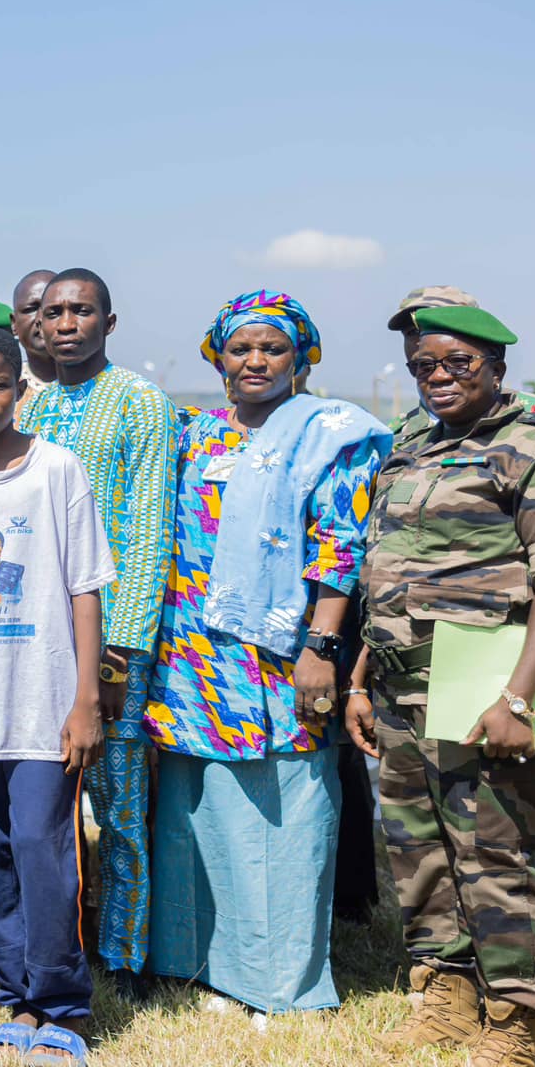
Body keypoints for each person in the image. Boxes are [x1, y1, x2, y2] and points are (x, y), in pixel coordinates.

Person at [353, 305, 535, 1067]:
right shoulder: (413, 443)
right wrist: (361, 675)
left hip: (482, 690)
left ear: (494, 363)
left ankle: (517, 1023)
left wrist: (519, 699)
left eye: (457, 361)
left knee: (498, 860)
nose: (439, 377)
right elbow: (388, 564)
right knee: (419, 859)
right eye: (425, 364)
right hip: (400, 689)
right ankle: (448, 996)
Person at [140, 292, 389, 1016]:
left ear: (301, 357)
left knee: (282, 809)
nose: (255, 361)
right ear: (217, 357)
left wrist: (321, 647)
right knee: (198, 804)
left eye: (272, 348)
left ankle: (280, 982)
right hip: (190, 655)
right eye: (240, 348)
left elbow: (340, 546)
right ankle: (204, 965)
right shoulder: (194, 434)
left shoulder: (328, 435)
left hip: (280, 655)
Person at [0, 327, 114, 1067]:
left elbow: (84, 586)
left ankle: (64, 1004)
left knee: (46, 853)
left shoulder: (56, 471)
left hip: (44, 704)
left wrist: (86, 699)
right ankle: (18, 1000)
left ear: (19, 388)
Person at [19, 268, 177, 995]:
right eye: (55, 312)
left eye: (82, 311)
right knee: (47, 805)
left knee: (118, 804)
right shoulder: (38, 406)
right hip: (39, 636)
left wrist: (117, 656)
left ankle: (125, 954)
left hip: (112, 642)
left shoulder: (141, 403)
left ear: (109, 323)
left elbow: (147, 533)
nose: (67, 323)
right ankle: (59, 944)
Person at [9, 270, 57, 420]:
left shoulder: (108, 390)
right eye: (30, 309)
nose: (40, 319)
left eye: (53, 309)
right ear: (14, 323)